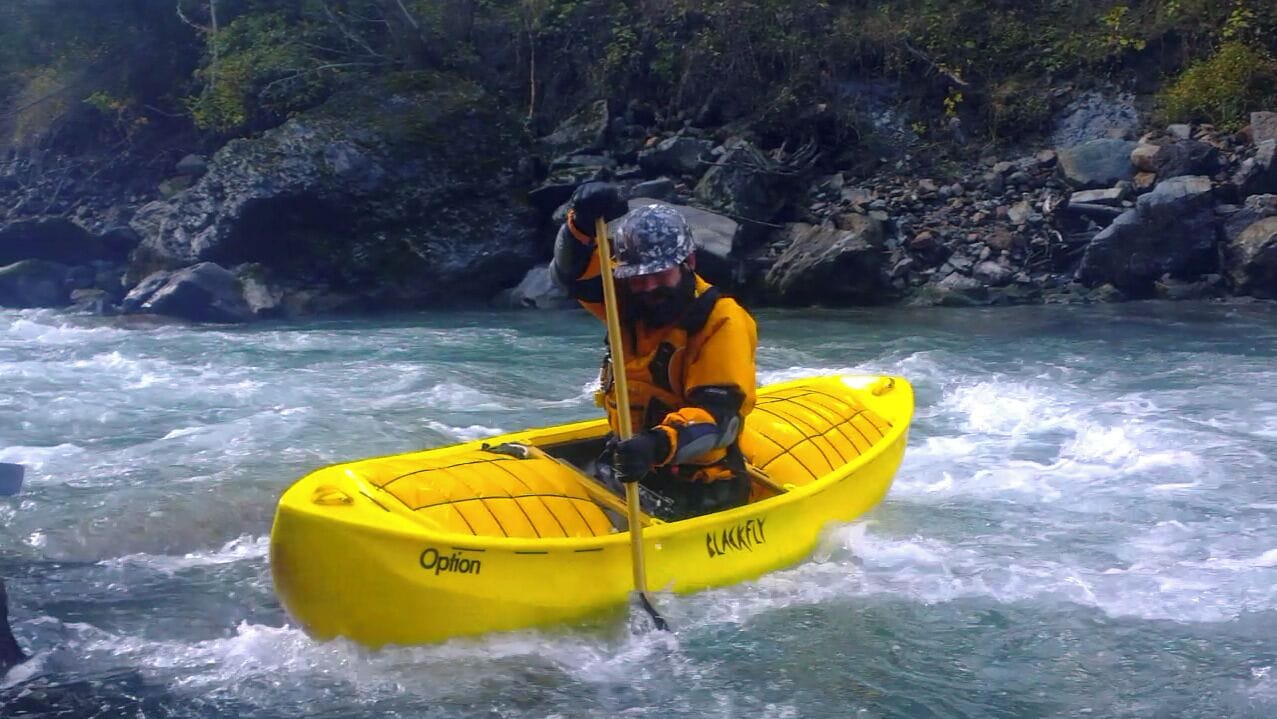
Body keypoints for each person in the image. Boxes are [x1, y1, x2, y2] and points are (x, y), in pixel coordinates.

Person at [550, 181, 759, 521]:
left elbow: (721, 421)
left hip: (698, 485)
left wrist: (655, 446)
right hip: (629, 465)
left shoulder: (722, 321)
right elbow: (569, 276)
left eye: (658, 275)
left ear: (688, 261)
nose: (646, 287)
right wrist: (581, 224)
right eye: (636, 277)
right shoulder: (628, 300)